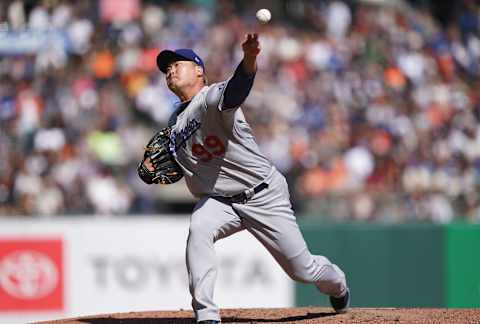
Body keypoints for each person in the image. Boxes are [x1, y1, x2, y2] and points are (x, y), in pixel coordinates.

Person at [145, 33, 350, 324]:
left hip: (263, 193)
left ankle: (338, 284)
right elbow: (184, 167)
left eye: (178, 64)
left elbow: (237, 89)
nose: (170, 71)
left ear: (199, 70)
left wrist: (250, 59)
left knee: (303, 271)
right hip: (221, 201)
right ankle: (206, 315)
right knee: (200, 226)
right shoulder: (174, 127)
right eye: (167, 69)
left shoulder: (210, 98)